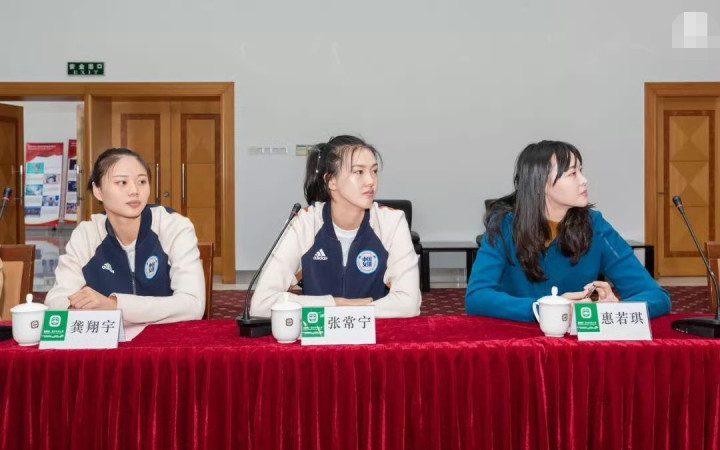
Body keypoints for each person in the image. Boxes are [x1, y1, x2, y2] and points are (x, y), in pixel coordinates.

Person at [465, 140, 671, 322]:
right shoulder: (503, 225)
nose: (584, 180)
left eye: (581, 170)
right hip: (516, 341)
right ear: (540, 184)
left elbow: (657, 296)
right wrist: (544, 309)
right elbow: (477, 297)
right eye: (572, 173)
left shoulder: (595, 225)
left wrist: (616, 310)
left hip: (574, 343)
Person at [250, 135, 421, 318]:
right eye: (359, 172)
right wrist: (335, 304)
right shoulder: (304, 223)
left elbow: (409, 303)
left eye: (374, 171)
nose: (371, 181)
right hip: (317, 331)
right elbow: (262, 304)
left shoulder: (391, 222)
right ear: (331, 181)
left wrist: (352, 312)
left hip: (376, 332)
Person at [44, 148, 205, 324]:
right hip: (108, 337)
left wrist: (115, 305)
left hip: (167, 337)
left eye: (142, 181)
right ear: (98, 191)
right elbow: (56, 300)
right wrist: (77, 307)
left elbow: (193, 305)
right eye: (122, 182)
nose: (135, 190)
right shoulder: (87, 234)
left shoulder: (174, 227)